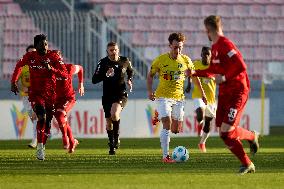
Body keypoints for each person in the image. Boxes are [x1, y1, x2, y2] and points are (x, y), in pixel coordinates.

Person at [191, 15, 260, 174]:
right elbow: (213, 72)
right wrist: (196, 71)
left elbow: (241, 66)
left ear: (208, 30)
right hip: (224, 93)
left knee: (227, 132)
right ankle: (251, 137)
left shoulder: (225, 45)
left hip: (237, 92)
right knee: (224, 133)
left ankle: (247, 162)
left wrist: (225, 77)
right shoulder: (215, 48)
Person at [147, 32, 206, 163]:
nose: (178, 50)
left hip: (179, 98)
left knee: (175, 130)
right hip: (162, 96)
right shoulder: (161, 60)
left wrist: (203, 94)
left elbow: (194, 78)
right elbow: (150, 75)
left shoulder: (186, 60)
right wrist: (150, 91)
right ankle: (165, 156)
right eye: (175, 47)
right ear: (169, 46)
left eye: (180, 47)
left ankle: (160, 114)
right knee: (166, 123)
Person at [11, 34, 68, 160]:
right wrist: (13, 81)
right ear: (36, 46)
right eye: (42, 44)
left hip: (51, 95)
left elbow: (64, 74)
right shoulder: (30, 56)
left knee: (47, 124)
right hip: (36, 94)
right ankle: (40, 146)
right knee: (41, 117)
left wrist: (52, 69)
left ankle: (43, 143)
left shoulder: (53, 56)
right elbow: (18, 66)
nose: (45, 47)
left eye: (46, 44)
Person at [92, 42, 133, 155]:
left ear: (118, 50)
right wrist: (105, 74)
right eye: (111, 50)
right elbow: (94, 79)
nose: (113, 52)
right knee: (109, 122)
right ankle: (112, 144)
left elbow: (130, 71)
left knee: (115, 114)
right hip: (107, 95)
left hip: (121, 93)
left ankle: (116, 138)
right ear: (107, 51)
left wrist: (129, 80)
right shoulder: (103, 62)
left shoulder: (125, 60)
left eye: (115, 49)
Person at [53, 56, 84, 153]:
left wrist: (81, 83)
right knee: (62, 120)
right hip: (56, 99)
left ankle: (65, 138)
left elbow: (81, 68)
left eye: (59, 59)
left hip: (68, 98)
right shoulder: (49, 70)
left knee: (60, 115)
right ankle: (72, 141)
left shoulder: (69, 68)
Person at [191, 46, 216, 153]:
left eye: (207, 54)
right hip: (198, 95)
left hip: (211, 99)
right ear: (201, 54)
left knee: (208, 124)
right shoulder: (196, 64)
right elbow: (191, 75)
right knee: (200, 113)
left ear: (211, 56)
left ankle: (202, 142)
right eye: (204, 54)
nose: (205, 56)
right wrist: (188, 84)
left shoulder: (215, 67)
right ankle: (199, 122)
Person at [15, 45, 38, 148]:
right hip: (26, 97)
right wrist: (21, 87)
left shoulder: (40, 65)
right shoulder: (22, 66)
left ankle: (35, 141)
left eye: (34, 52)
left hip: (38, 95)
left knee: (35, 116)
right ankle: (40, 135)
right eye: (30, 52)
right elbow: (16, 80)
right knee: (33, 119)